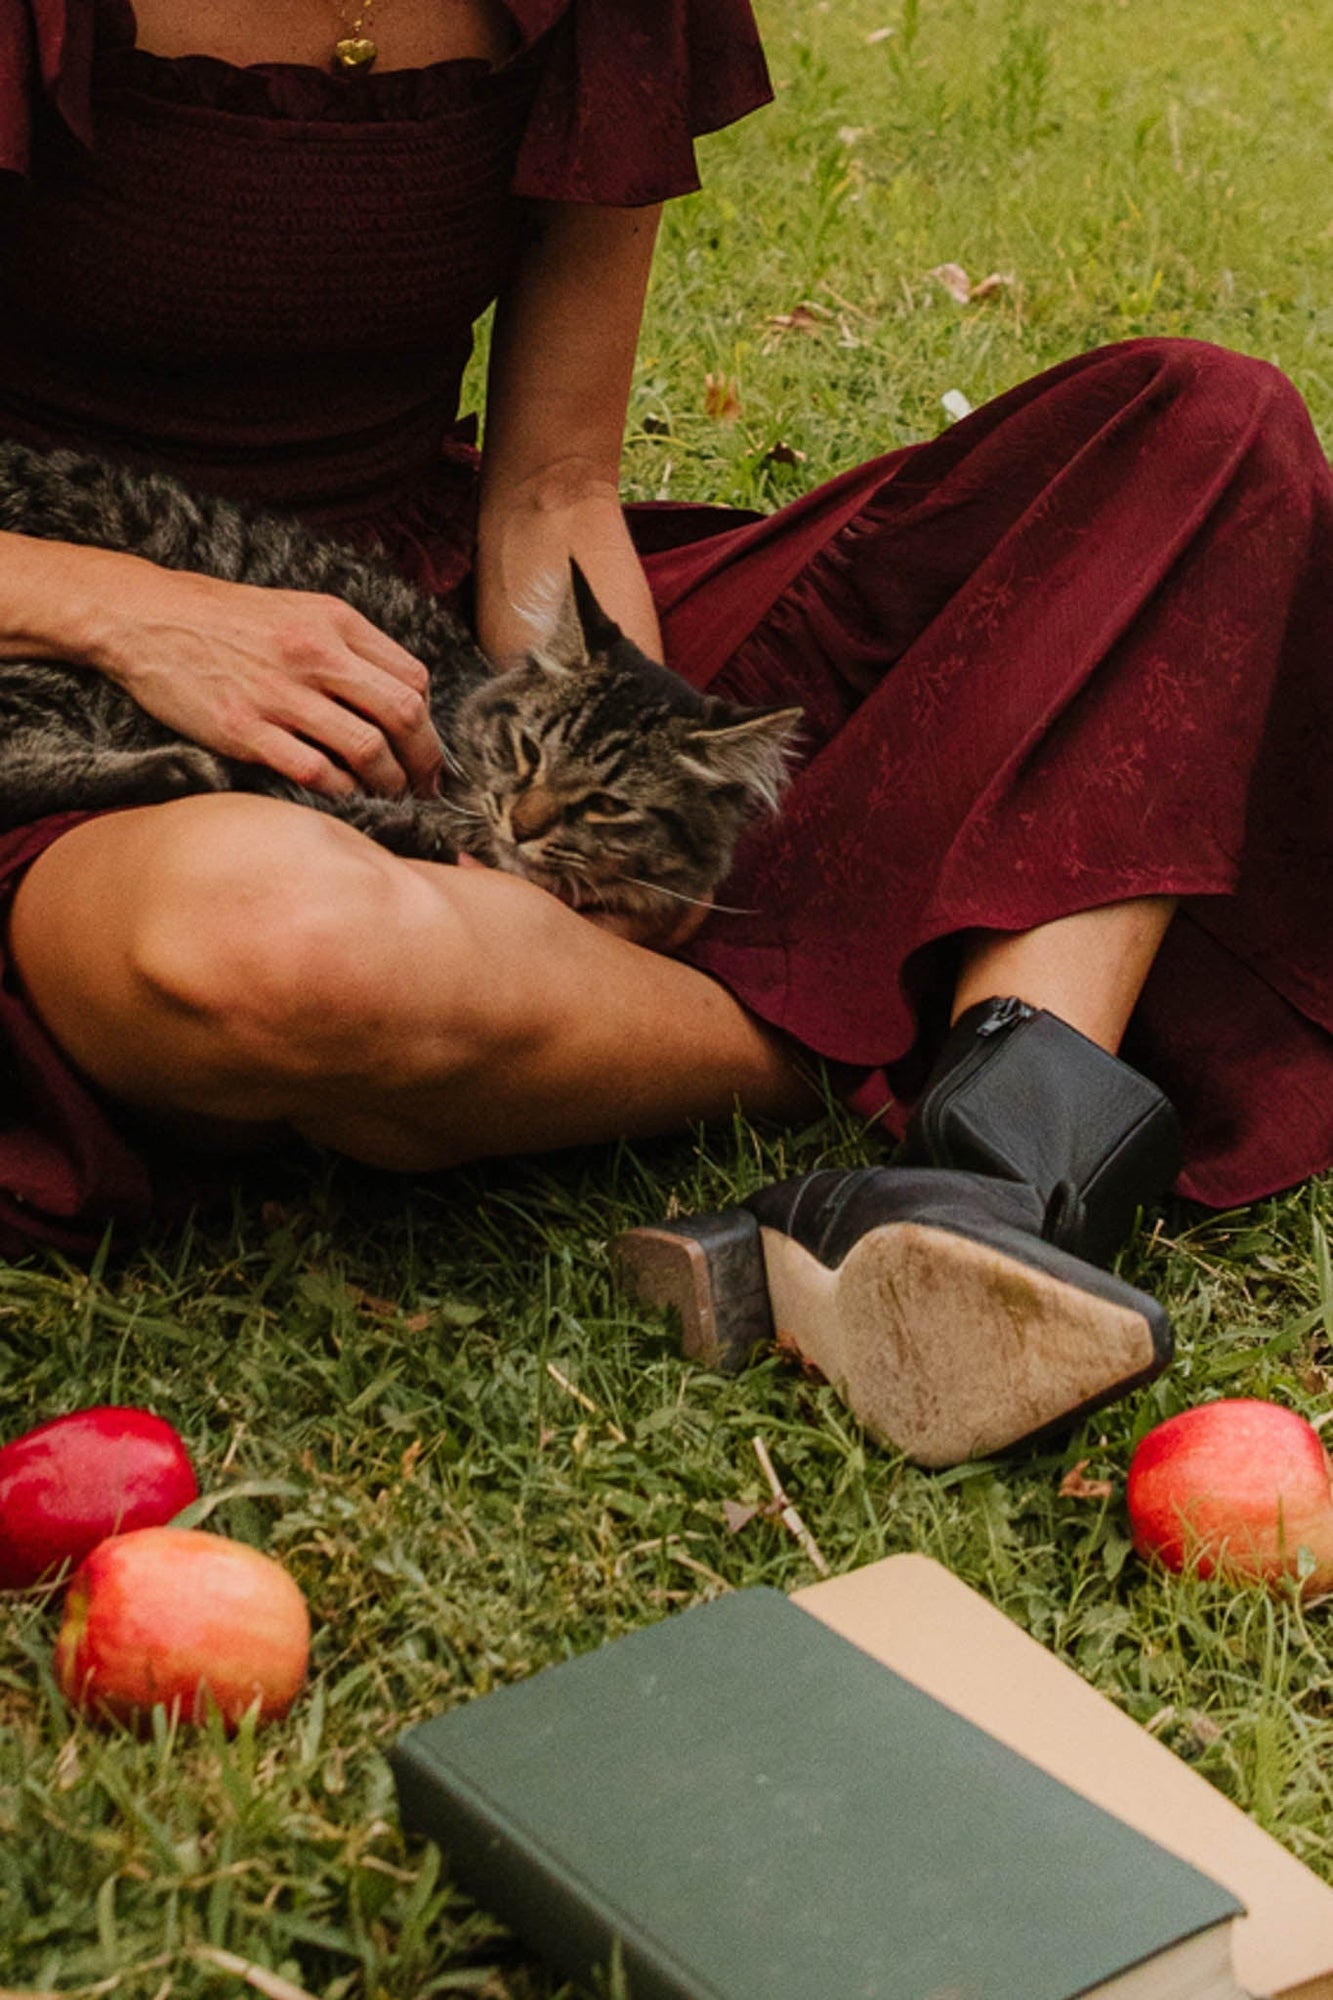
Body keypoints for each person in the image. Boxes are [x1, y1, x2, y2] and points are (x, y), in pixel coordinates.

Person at [0, 0, 1328, 1463]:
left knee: (1197, 426)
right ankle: (922, 1076)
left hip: (442, 639)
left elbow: (555, 488)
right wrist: (132, 612)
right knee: (265, 945)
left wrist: (624, 761)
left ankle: (983, 1185)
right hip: (59, 665)